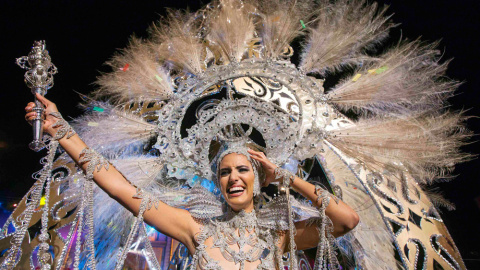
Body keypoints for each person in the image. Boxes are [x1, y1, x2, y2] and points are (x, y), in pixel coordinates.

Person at [25, 93, 359, 269]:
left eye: (243, 170)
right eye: (225, 172)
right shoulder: (195, 228)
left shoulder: (279, 235)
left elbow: (346, 220)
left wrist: (285, 177)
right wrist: (63, 132)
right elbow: (120, 188)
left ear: (258, 181)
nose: (233, 178)